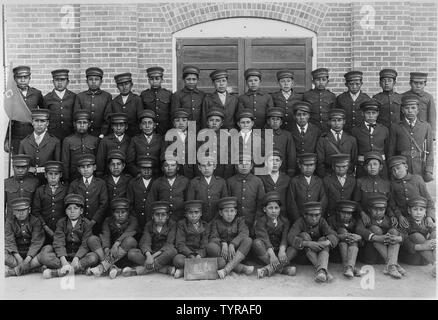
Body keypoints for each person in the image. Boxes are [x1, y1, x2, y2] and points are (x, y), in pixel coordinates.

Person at [40, 193, 99, 278]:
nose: (72, 211)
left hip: (79, 256)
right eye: (69, 209)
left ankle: (58, 272)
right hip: (65, 254)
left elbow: (85, 244)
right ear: (66, 211)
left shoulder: (86, 223)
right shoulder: (61, 222)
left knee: (93, 257)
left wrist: (77, 258)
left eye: (76, 208)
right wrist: (63, 261)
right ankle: (76, 269)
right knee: (44, 256)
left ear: (81, 211)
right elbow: (58, 242)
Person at [355, 195, 406, 279]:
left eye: (381, 210)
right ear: (369, 209)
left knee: (394, 233)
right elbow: (358, 229)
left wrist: (398, 238)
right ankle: (394, 264)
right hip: (370, 255)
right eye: (375, 209)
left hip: (385, 255)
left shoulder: (390, 220)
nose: (378, 212)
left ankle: (390, 266)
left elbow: (404, 233)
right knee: (375, 230)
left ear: (385, 210)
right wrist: (376, 237)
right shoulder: (366, 219)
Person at [287, 201, 338, 283]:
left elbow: (334, 235)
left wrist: (327, 242)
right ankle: (324, 271)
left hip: (320, 256)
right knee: (304, 236)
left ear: (320, 215)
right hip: (304, 256)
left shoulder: (322, 221)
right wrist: (307, 243)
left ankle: (321, 271)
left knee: (323, 239)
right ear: (305, 215)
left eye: (317, 215)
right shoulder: (300, 221)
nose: (314, 218)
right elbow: (290, 237)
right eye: (311, 215)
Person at [86, 198, 138, 279]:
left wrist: (116, 244)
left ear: (128, 213)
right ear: (113, 213)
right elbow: (105, 234)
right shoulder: (108, 220)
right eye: (117, 212)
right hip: (109, 253)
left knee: (129, 240)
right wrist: (106, 248)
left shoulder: (133, 220)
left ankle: (102, 267)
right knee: (92, 239)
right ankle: (111, 267)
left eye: (123, 212)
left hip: (124, 252)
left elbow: (128, 232)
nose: (120, 215)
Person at [123, 201, 177, 277]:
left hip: (163, 254)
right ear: (152, 216)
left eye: (163, 215)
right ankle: (164, 269)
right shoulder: (149, 225)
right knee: (132, 253)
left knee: (173, 251)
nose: (160, 218)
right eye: (157, 215)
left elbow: (169, 243)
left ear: (168, 216)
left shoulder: (172, 224)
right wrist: (148, 255)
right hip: (151, 252)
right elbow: (145, 242)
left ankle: (139, 271)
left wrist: (152, 257)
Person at [206, 196, 254, 279]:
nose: (229, 214)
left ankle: (226, 269)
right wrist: (223, 243)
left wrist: (232, 244)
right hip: (223, 252)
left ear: (235, 212)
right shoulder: (216, 222)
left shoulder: (240, 220)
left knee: (248, 240)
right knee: (210, 246)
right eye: (226, 211)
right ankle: (241, 267)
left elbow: (244, 233)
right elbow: (213, 236)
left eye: (232, 211)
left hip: (237, 252)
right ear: (221, 213)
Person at [389, 95, 434, 182]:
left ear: (418, 110)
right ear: (402, 110)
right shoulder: (395, 127)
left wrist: (429, 170)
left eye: (413, 108)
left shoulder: (425, 126)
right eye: (407, 108)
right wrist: (392, 168)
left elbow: (430, 150)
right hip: (402, 167)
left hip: (419, 167)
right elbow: (391, 151)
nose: (410, 111)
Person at [253, 192, 296, 278]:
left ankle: (267, 269)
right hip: (267, 254)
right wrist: (272, 255)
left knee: (294, 247)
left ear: (280, 209)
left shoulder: (285, 221)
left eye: (276, 208)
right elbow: (264, 238)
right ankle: (282, 269)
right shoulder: (261, 221)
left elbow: (285, 237)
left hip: (280, 253)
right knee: (256, 242)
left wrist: (282, 250)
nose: (273, 211)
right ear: (264, 209)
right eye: (270, 208)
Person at [4, 65, 44, 154]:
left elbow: (44, 114)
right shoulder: (10, 95)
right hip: (16, 135)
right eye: (19, 77)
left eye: (25, 77)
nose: (22, 80)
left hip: (33, 134)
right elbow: (6, 119)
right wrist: (6, 139)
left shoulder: (36, 93)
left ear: (29, 78)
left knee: (33, 162)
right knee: (18, 163)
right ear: (14, 79)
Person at [388, 155, 435, 229]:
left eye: (398, 168)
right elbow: (392, 204)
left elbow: (429, 201)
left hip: (420, 217)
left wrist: (429, 217)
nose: (396, 172)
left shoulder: (417, 179)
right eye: (393, 170)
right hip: (404, 220)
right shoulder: (393, 184)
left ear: (406, 167)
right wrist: (399, 216)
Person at [68, 153, 109, 232]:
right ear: (79, 169)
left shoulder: (101, 183)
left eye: (88, 166)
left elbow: (104, 204)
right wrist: (80, 220)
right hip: (78, 223)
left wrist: (94, 220)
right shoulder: (74, 184)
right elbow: (70, 203)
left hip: (97, 223)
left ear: (94, 167)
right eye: (83, 167)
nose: (86, 169)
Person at [5, 197, 45, 277]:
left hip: (32, 253)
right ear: (13, 212)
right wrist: (19, 258)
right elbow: (9, 241)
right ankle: (33, 268)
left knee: (45, 254)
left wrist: (27, 260)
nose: (21, 213)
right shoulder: (9, 221)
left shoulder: (35, 221)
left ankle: (15, 270)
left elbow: (36, 242)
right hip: (17, 252)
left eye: (24, 210)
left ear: (29, 210)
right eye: (18, 211)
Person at [19, 109, 61, 184]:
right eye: (36, 121)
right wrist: (29, 169)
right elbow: (20, 165)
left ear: (47, 123)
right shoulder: (24, 142)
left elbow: (57, 165)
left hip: (47, 182)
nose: (39, 124)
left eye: (42, 121)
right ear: (32, 122)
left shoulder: (55, 142)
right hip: (29, 182)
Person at [227, 153, 265, 236]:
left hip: (252, 220)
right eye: (241, 163)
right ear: (236, 166)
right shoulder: (230, 181)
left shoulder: (257, 181)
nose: (244, 166)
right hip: (235, 220)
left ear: (251, 166)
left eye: (247, 163)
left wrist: (257, 219)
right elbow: (228, 204)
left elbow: (261, 203)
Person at [353, 151, 394, 227]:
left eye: (375, 164)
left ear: (380, 167)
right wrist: (362, 213)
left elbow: (390, 203)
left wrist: (391, 216)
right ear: (365, 167)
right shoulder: (360, 182)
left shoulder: (387, 183)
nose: (372, 167)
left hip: (382, 218)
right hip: (366, 218)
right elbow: (356, 202)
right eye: (369, 165)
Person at [172, 200, 211, 279]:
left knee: (221, 262)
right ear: (186, 214)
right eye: (190, 213)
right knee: (178, 260)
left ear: (201, 214)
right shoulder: (182, 224)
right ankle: (199, 269)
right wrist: (190, 255)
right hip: (186, 254)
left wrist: (199, 255)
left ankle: (183, 271)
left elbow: (205, 244)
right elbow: (180, 243)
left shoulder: (205, 225)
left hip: (200, 255)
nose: (194, 215)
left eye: (196, 212)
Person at [352, 99, 389, 178]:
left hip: (380, 166)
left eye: (374, 113)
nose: (371, 116)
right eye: (368, 113)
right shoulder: (356, 130)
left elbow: (387, 149)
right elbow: (354, 151)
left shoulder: (384, 129)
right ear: (363, 113)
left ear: (378, 114)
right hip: (363, 165)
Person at [32, 161, 68, 242]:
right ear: (45, 175)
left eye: (56, 174)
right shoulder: (40, 190)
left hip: (62, 229)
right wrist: (45, 226)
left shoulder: (66, 190)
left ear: (60, 175)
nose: (53, 177)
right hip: (43, 228)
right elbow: (35, 211)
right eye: (50, 174)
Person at [399, 197, 436, 277]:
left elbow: (433, 230)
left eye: (421, 210)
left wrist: (433, 239)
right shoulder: (405, 222)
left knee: (435, 234)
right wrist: (422, 246)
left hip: (425, 259)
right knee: (417, 236)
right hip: (412, 256)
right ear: (409, 210)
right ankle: (435, 263)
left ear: (425, 211)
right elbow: (404, 242)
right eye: (415, 209)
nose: (418, 213)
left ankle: (436, 263)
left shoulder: (426, 221)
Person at [316, 108, 357, 177]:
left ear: (344, 121)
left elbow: (353, 160)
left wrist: (348, 176)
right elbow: (320, 163)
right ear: (329, 122)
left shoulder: (351, 139)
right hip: (329, 176)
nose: (337, 123)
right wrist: (325, 177)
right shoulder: (323, 140)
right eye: (333, 120)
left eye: (339, 120)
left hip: (346, 176)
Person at [148, 155, 190, 222]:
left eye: (173, 165)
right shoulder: (157, 182)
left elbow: (189, 203)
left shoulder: (185, 181)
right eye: (166, 165)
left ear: (178, 167)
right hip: (163, 221)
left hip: (180, 220)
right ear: (162, 168)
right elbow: (151, 203)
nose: (169, 168)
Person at [187, 156, 228, 223]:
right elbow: (190, 203)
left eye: (209, 165)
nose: (206, 168)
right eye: (203, 166)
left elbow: (224, 204)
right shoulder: (194, 182)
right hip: (199, 219)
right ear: (199, 167)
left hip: (217, 219)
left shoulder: (221, 182)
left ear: (214, 166)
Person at [287, 153, 327, 223]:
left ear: (315, 166)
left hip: (316, 219)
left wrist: (317, 217)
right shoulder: (294, 181)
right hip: (300, 218)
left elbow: (323, 200)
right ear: (299, 166)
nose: (308, 168)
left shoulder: (319, 181)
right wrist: (298, 219)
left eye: (311, 165)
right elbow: (291, 202)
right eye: (305, 165)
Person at [327, 200, 362, 278]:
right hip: (336, 252)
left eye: (349, 213)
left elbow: (361, 234)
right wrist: (340, 236)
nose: (346, 216)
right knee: (342, 232)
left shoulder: (355, 222)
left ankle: (349, 267)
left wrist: (358, 237)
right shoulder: (331, 221)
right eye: (343, 213)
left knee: (354, 240)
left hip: (352, 252)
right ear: (338, 212)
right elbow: (328, 235)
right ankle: (351, 267)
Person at [74, 67, 113, 138]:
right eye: (90, 79)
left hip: (100, 134)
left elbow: (108, 117)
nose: (93, 82)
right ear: (86, 81)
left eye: (97, 79)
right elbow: (77, 116)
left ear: (101, 81)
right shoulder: (80, 96)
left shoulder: (107, 96)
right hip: (84, 134)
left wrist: (103, 133)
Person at [61, 110, 99, 182]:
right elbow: (65, 163)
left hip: (91, 179)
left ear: (89, 124)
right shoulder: (68, 140)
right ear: (74, 124)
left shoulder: (95, 140)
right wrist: (66, 179)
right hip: (73, 178)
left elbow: (98, 161)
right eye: (79, 122)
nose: (82, 125)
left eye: (84, 122)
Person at [126, 109, 163, 177]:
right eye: (144, 123)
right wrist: (138, 173)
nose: (147, 126)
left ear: (154, 125)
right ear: (140, 126)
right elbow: (129, 162)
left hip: (156, 175)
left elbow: (162, 161)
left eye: (150, 123)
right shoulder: (135, 140)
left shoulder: (160, 139)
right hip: (139, 175)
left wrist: (156, 173)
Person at [161, 109, 195, 179]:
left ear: (188, 123)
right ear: (173, 123)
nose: (181, 123)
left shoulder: (193, 136)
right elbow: (164, 155)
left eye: (184, 120)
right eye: (177, 120)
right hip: (175, 172)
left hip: (190, 171)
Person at [106, 72, 143, 137]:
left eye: (126, 84)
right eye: (121, 85)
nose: (124, 87)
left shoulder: (137, 99)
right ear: (117, 87)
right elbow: (110, 120)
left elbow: (140, 119)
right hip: (119, 135)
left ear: (131, 85)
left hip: (134, 134)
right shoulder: (114, 102)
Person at [43, 69, 76, 141]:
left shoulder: (74, 97)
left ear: (67, 82)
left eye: (62, 80)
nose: (60, 82)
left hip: (70, 134)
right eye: (57, 80)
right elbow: (44, 117)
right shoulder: (47, 98)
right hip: (53, 135)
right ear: (53, 82)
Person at [290, 101, 321, 174]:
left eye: (304, 114)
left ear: (309, 116)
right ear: (294, 116)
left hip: (311, 167)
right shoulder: (289, 130)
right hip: (295, 167)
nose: (302, 117)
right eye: (298, 115)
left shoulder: (316, 130)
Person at [96, 112, 131, 177]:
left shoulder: (130, 140)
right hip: (108, 175)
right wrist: (100, 174)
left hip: (126, 176)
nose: (118, 128)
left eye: (121, 125)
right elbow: (100, 160)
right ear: (112, 126)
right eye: (115, 125)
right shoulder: (105, 140)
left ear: (126, 126)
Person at [264, 107, 296, 177]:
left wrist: (291, 169)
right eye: (273, 119)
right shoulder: (261, 135)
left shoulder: (287, 135)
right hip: (265, 171)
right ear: (268, 121)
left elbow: (291, 154)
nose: (275, 122)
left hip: (282, 170)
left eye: (278, 119)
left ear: (281, 122)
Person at [259, 149, 291, 219]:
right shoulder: (260, 178)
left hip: (283, 214)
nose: (274, 163)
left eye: (277, 160)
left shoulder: (287, 178)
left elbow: (289, 199)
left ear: (281, 163)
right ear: (266, 163)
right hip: (266, 215)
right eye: (271, 160)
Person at [140, 66, 173, 136]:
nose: (154, 81)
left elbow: (171, 113)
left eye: (157, 79)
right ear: (148, 80)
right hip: (149, 131)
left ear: (162, 80)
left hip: (165, 129)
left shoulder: (168, 94)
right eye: (152, 79)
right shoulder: (144, 94)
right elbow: (141, 113)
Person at [402, 72, 436, 138]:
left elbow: (432, 117)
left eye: (421, 83)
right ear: (410, 83)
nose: (418, 86)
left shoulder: (428, 97)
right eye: (415, 83)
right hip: (405, 130)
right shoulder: (403, 96)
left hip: (422, 130)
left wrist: (432, 135)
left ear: (425, 84)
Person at [126, 155, 156, 230]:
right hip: (137, 219)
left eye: (149, 168)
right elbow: (129, 203)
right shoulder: (133, 183)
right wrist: (134, 217)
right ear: (139, 169)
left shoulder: (157, 182)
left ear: (153, 169)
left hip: (153, 219)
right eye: (144, 168)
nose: (146, 171)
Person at [303, 68, 336, 132]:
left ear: (327, 81)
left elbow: (333, 114)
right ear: (313, 82)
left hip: (327, 129)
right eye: (318, 80)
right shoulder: (307, 95)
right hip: (311, 129)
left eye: (324, 80)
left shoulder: (331, 96)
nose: (321, 82)